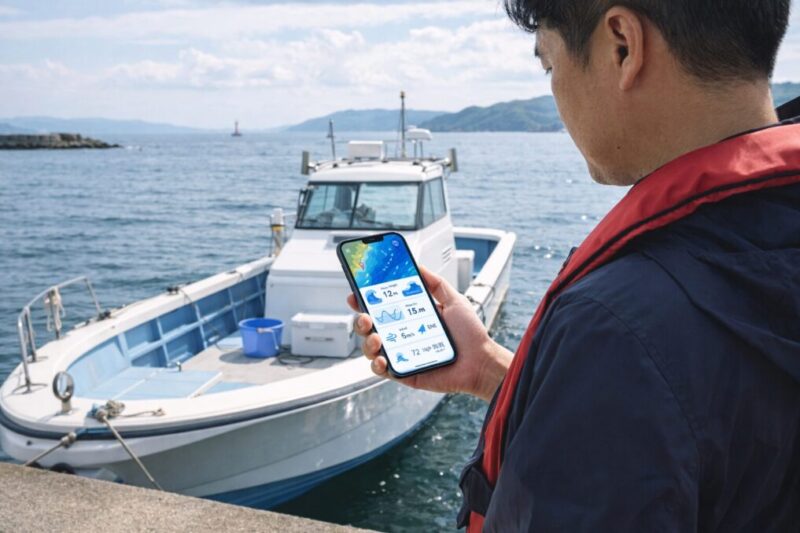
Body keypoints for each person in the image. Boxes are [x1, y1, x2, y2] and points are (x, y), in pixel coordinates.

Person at [347, 1, 800, 530]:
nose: (555, 90)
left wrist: (585, 361)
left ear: (622, 46)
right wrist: (492, 370)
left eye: (549, 64)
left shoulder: (615, 326)